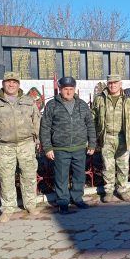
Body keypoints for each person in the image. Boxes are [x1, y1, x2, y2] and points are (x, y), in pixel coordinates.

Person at [0, 72, 41, 223]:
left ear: (19, 84)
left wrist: (40, 141)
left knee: (29, 175)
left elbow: (37, 122)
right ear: (3, 83)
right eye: (8, 82)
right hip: (4, 146)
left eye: (14, 82)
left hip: (26, 144)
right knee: (6, 178)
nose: (11, 84)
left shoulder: (28, 101)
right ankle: (7, 208)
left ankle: (30, 204)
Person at [40, 76, 96, 214]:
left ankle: (77, 198)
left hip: (79, 148)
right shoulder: (52, 105)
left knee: (79, 175)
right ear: (60, 89)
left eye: (71, 89)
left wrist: (92, 144)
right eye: (66, 89)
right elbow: (45, 127)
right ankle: (63, 201)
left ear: (74, 89)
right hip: (60, 149)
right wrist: (47, 147)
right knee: (61, 177)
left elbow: (90, 125)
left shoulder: (82, 105)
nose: (69, 92)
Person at [93, 74, 130, 203]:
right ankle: (108, 191)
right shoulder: (99, 99)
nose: (112, 85)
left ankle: (122, 190)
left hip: (123, 137)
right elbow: (93, 118)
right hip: (107, 137)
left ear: (120, 84)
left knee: (123, 166)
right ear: (107, 84)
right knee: (107, 166)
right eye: (110, 83)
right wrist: (93, 138)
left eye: (115, 83)